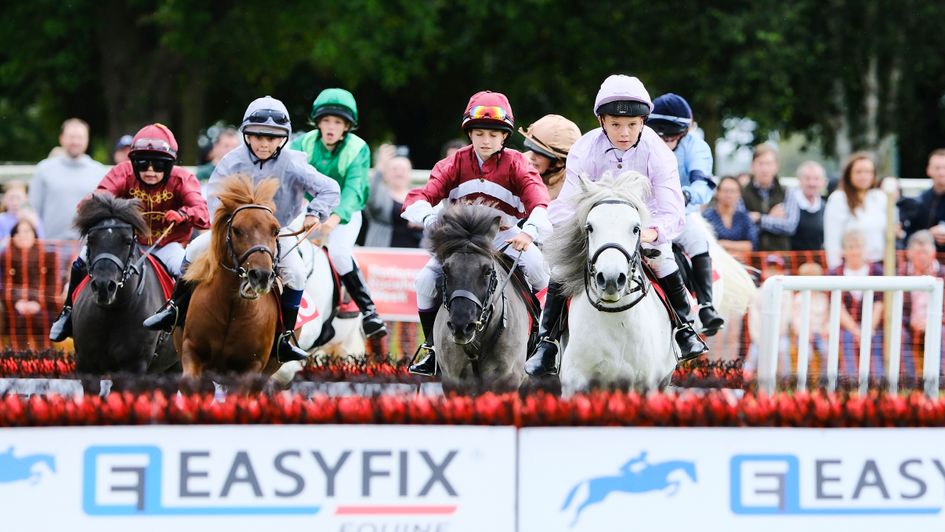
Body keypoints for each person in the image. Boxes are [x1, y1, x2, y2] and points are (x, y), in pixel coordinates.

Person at [528, 74, 708, 377]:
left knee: (663, 257)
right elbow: (565, 204)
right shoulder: (585, 149)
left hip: (642, 225)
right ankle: (547, 344)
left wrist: (653, 233)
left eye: (633, 125)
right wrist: (582, 230)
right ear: (601, 121)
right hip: (594, 227)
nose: (624, 133)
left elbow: (672, 207)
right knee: (560, 269)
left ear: (643, 122)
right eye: (615, 124)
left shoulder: (658, 151)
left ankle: (684, 330)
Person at [143, 96, 340, 363]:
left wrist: (315, 213)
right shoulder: (231, 161)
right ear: (246, 135)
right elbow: (212, 198)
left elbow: (330, 188)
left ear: (283, 138)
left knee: (295, 273)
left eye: (272, 138)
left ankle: (284, 339)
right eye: (258, 135)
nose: (264, 143)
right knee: (193, 250)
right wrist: (228, 225)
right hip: (236, 230)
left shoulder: (294, 162)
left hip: (276, 230)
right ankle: (174, 309)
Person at [402, 90, 551, 376]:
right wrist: (433, 218)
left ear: (504, 137)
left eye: (494, 135)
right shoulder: (454, 162)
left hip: (505, 237)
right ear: (469, 134)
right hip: (462, 240)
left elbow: (539, 200)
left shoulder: (518, 163)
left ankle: (542, 345)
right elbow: (417, 197)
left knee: (539, 271)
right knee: (424, 281)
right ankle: (432, 348)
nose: (486, 140)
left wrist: (530, 231)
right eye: (480, 133)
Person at [48, 123, 211, 342]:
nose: (151, 171)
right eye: (143, 165)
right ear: (133, 163)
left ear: (170, 165)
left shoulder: (183, 179)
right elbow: (100, 196)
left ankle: (180, 315)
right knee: (81, 260)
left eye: (159, 165)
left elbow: (203, 214)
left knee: (189, 271)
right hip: (127, 242)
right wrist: (90, 203)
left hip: (167, 244)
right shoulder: (122, 172)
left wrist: (183, 214)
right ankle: (68, 312)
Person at [291, 88, 387, 338]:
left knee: (339, 253)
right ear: (318, 123)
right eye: (326, 121)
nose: (331, 127)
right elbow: (291, 178)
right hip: (308, 208)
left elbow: (354, 190)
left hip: (345, 213)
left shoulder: (359, 148)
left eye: (337, 122)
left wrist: (332, 220)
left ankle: (368, 311)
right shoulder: (301, 143)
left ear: (346, 126)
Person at [646, 93, 724, 334]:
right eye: (661, 134)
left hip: (677, 213)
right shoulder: (642, 141)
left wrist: (687, 195)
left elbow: (703, 183)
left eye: (672, 135)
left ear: (684, 131)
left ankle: (705, 306)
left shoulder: (696, 147)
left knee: (698, 239)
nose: (666, 140)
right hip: (642, 213)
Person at [28, 118, 107, 240]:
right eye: (71, 137)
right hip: (50, 247)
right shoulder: (44, 169)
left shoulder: (100, 172)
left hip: (88, 248)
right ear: (61, 138)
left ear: (87, 139)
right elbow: (32, 209)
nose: (75, 141)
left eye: (80, 137)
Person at [828, 228, 884, 377]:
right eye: (850, 247)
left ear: (864, 249)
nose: (855, 252)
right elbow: (837, 307)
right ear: (843, 251)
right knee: (846, 339)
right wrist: (856, 331)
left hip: (873, 326)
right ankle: (851, 384)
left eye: (858, 247)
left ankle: (878, 386)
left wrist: (867, 330)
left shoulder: (877, 271)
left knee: (876, 342)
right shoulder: (835, 273)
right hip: (846, 327)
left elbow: (879, 304)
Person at [1, 218, 60, 350]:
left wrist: (37, 302)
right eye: (18, 232)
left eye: (27, 231)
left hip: (44, 305)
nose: (22, 235)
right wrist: (17, 302)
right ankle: (18, 361)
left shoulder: (48, 256)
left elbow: (53, 286)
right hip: (15, 305)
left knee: (41, 319)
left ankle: (46, 361)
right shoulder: (5, 257)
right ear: (13, 237)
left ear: (35, 235)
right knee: (18, 320)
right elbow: (4, 286)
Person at [823, 152, 887, 270]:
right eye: (859, 172)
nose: (864, 176)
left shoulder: (880, 197)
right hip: (849, 268)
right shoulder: (838, 199)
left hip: (877, 267)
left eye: (868, 172)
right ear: (849, 175)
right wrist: (835, 271)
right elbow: (832, 240)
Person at [898, 230, 945, 379]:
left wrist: (936, 322)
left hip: (939, 323)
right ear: (909, 253)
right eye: (918, 252)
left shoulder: (942, 273)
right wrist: (911, 322)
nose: (922, 257)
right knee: (899, 333)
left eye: (925, 252)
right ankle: (910, 381)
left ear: (933, 252)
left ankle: (941, 379)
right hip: (909, 325)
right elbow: (895, 309)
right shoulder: (901, 274)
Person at [742, 144, 798, 251]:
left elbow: (790, 226)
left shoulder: (787, 192)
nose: (764, 168)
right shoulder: (742, 193)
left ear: (776, 166)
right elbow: (741, 229)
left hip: (781, 259)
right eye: (760, 163)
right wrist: (772, 218)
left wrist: (760, 219)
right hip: (752, 259)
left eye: (768, 163)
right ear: (752, 166)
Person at [364, 144, 422, 248]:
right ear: (386, 173)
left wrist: (422, 224)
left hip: (415, 255)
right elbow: (370, 199)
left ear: (409, 173)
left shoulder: (419, 195)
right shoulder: (380, 193)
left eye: (403, 169)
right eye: (394, 169)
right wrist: (379, 167)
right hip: (383, 254)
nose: (399, 173)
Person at [519, 114, 581, 199]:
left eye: (539, 153)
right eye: (532, 149)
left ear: (559, 162)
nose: (531, 157)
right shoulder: (516, 165)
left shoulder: (569, 195)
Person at [703, 176, 757, 255]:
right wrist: (737, 247)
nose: (729, 194)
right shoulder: (707, 216)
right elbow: (707, 244)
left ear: (739, 194)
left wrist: (723, 243)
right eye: (725, 191)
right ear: (717, 193)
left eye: (733, 191)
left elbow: (751, 245)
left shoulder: (744, 217)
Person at [903, 149, 945, 251]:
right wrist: (927, 235)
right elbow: (909, 235)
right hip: (925, 262)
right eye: (937, 168)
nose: (941, 172)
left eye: (944, 167)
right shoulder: (920, 201)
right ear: (928, 170)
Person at [789, 161, 827, 251]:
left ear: (823, 182)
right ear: (799, 180)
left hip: (817, 262)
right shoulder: (788, 205)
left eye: (816, 179)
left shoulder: (826, 208)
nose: (812, 183)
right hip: (792, 261)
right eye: (807, 178)